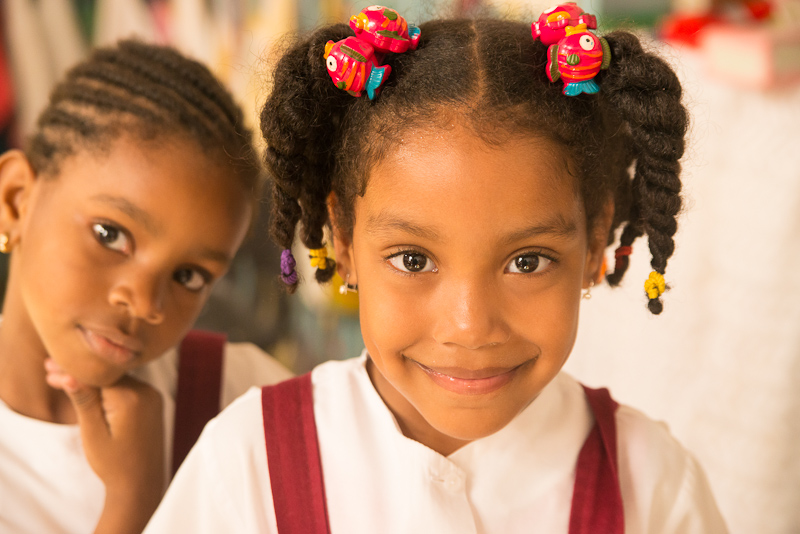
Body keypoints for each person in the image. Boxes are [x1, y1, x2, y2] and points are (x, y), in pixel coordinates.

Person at [145, 6, 727, 533]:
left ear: (596, 239)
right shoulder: (249, 461)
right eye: (414, 260)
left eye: (527, 262)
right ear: (343, 238)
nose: (470, 326)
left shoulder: (652, 484)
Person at [0, 40, 291, 534]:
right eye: (110, 235)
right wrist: (133, 501)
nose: (145, 303)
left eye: (189, 276)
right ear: (16, 200)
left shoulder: (246, 399)